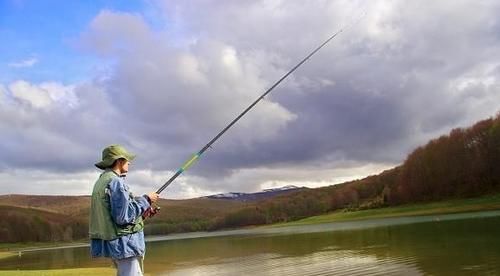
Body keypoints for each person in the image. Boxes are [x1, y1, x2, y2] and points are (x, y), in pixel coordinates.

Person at [89, 144, 159, 276]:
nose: (129, 163)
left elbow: (114, 214)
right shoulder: (116, 182)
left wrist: (141, 215)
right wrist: (146, 200)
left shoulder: (100, 181)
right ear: (119, 161)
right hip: (124, 244)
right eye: (127, 160)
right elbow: (123, 217)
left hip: (116, 243)